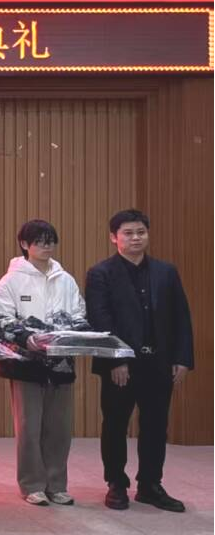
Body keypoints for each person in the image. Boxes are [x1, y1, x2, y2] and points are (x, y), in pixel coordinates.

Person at [86, 209, 194, 512]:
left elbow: (181, 317)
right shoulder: (101, 273)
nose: (136, 238)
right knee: (115, 424)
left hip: (159, 362)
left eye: (141, 232)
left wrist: (182, 358)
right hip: (121, 364)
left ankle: (150, 485)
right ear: (114, 237)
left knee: (156, 426)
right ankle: (116, 483)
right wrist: (117, 360)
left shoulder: (166, 271)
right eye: (128, 233)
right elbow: (100, 320)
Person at [0, 220, 84, 507]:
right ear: (24, 244)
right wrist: (26, 337)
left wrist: (78, 332)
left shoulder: (65, 279)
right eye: (39, 241)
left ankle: (57, 484)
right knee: (29, 427)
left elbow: (79, 314)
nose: (46, 246)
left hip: (61, 363)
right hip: (25, 364)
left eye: (50, 241)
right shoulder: (11, 280)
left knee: (59, 428)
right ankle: (32, 484)